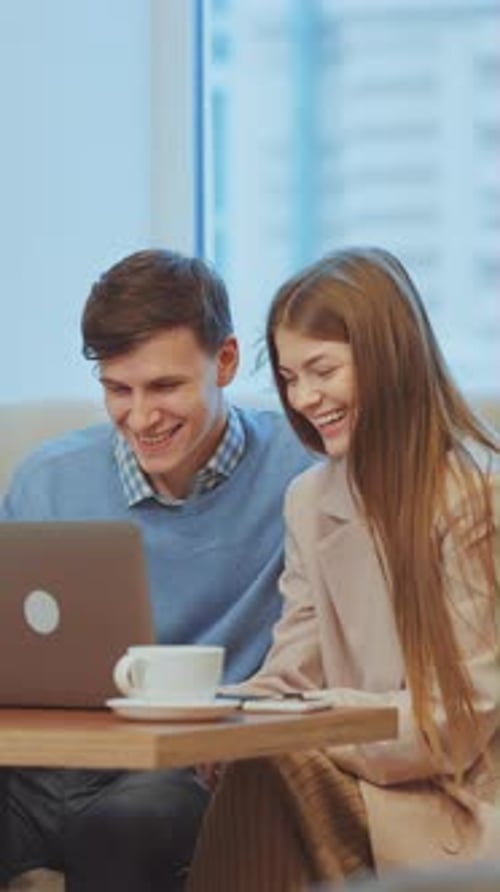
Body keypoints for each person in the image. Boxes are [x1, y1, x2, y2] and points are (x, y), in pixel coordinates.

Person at [186, 246, 500, 891]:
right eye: (289, 377)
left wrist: (307, 724)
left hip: (448, 796)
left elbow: (460, 720)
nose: (304, 398)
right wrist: (225, 719)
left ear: (389, 357)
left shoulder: (475, 497)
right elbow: (292, 666)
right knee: (257, 763)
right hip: (353, 771)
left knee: (275, 765)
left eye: (321, 370)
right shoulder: (310, 499)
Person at [0, 249, 312, 892]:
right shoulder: (46, 480)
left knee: (127, 828)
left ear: (224, 361)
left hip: (180, 776)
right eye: (119, 390)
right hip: (39, 771)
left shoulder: (304, 472)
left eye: (165, 386)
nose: (140, 418)